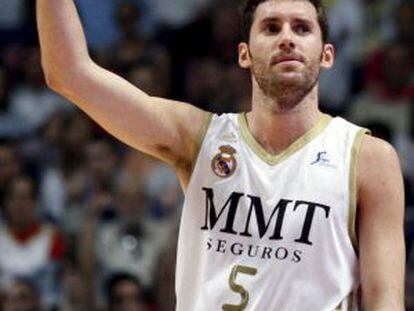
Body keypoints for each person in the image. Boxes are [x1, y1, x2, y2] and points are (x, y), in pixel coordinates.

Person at [36, 0, 405, 310]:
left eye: (302, 28)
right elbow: (68, 73)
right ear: (244, 53)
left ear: (327, 55)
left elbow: (385, 300)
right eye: (271, 27)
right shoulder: (200, 139)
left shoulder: (368, 158)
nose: (287, 38)